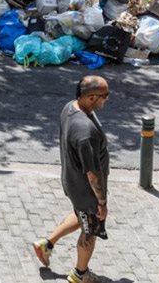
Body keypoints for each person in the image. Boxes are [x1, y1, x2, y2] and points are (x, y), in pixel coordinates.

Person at [32, 75, 111, 283]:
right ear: (92, 97)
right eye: (105, 96)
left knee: (80, 215)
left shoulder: (70, 107)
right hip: (85, 189)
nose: (107, 100)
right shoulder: (85, 131)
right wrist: (101, 202)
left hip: (71, 180)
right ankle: (80, 274)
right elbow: (93, 174)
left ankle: (46, 244)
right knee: (90, 230)